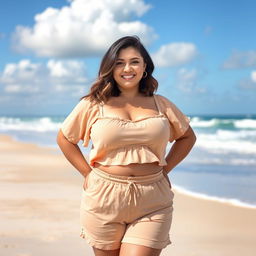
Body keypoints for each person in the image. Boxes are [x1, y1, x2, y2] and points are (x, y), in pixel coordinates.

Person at [57, 35, 196, 256]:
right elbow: (65, 138)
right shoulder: (93, 104)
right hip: (104, 197)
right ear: (110, 68)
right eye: (119, 62)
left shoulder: (162, 104)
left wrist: (165, 168)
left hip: (153, 198)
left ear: (145, 67)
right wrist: (87, 174)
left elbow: (187, 137)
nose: (127, 68)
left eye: (134, 61)